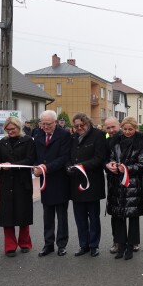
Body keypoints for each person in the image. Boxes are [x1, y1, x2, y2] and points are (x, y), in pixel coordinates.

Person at [106, 117, 143, 260]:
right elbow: (111, 157)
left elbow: (142, 165)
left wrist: (126, 168)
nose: (128, 132)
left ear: (135, 129)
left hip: (133, 185)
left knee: (133, 217)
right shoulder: (115, 142)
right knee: (119, 217)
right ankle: (121, 245)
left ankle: (131, 245)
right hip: (117, 183)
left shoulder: (141, 143)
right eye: (125, 129)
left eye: (131, 129)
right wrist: (111, 165)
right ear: (122, 128)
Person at [67, 113, 107, 257]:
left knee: (93, 217)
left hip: (93, 183)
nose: (79, 128)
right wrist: (69, 167)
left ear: (87, 123)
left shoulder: (98, 135)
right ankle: (83, 244)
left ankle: (94, 245)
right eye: (76, 126)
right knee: (80, 217)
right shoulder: (72, 137)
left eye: (81, 125)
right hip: (76, 183)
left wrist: (81, 166)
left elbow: (100, 158)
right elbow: (67, 156)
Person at [33, 110, 71, 257]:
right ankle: (48, 244)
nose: (45, 127)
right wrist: (36, 167)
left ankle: (61, 244)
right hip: (45, 181)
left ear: (55, 122)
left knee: (61, 216)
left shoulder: (64, 135)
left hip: (60, 179)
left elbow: (64, 157)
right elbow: (35, 156)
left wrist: (46, 168)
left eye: (48, 124)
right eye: (43, 124)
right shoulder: (38, 135)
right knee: (47, 215)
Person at [0, 117, 36, 257]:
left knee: (23, 213)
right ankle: (10, 246)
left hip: (22, 182)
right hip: (6, 183)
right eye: (8, 129)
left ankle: (25, 243)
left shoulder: (28, 141)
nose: (10, 131)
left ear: (19, 128)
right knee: (7, 215)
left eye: (13, 129)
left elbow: (30, 160)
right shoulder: (3, 142)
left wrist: (11, 166)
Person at [104, 116, 122, 254]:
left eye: (113, 127)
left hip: (130, 180)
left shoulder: (129, 137)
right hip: (113, 181)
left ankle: (133, 242)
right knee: (115, 213)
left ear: (119, 125)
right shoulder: (106, 141)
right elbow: (103, 159)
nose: (111, 130)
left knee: (132, 213)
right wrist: (107, 165)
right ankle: (117, 241)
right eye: (108, 128)